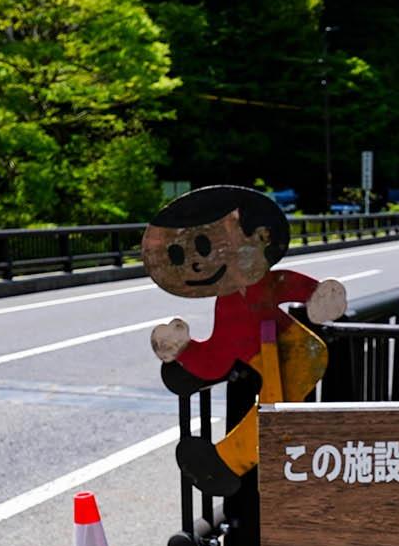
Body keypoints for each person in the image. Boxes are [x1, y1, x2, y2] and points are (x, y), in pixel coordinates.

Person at [143, 185, 345, 495]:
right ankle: (227, 460)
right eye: (182, 254)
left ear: (260, 237)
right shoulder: (228, 301)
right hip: (261, 354)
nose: (198, 263)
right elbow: (223, 347)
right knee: (270, 412)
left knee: (271, 413)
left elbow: (289, 285)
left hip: (296, 354)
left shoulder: (262, 285)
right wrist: (188, 354)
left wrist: (318, 297)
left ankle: (229, 462)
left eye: (207, 246)